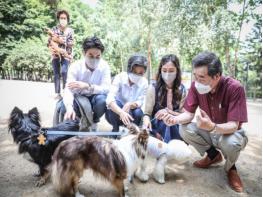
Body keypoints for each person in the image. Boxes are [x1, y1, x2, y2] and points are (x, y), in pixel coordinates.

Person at [161, 51, 248, 192]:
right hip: (209, 130)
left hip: (229, 133)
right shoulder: (196, 87)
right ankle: (213, 155)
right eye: (195, 76)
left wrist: (213, 126)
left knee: (231, 143)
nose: (197, 81)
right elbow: (188, 115)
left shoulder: (235, 88)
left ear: (217, 76)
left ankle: (231, 168)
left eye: (202, 77)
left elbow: (234, 125)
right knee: (184, 128)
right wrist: (174, 119)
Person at [62, 36, 111, 131]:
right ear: (84, 53)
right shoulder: (75, 67)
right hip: (79, 97)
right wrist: (69, 107)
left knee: (102, 100)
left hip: (96, 97)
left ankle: (94, 120)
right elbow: (68, 89)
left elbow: (107, 88)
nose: (94, 59)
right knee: (64, 107)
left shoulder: (104, 66)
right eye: (91, 56)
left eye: (98, 56)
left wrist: (88, 86)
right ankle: (77, 122)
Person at [142, 54, 187, 142]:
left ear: (177, 71)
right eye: (164, 70)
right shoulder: (153, 88)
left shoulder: (182, 90)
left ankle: (170, 146)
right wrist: (146, 121)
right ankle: (167, 146)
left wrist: (169, 112)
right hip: (157, 124)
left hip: (176, 123)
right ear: (160, 71)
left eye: (171, 71)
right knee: (166, 122)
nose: (167, 74)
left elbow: (184, 115)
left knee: (170, 121)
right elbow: (147, 114)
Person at [105, 54, 148, 132]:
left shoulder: (144, 82)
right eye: (134, 72)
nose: (137, 75)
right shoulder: (120, 77)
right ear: (129, 69)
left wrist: (129, 104)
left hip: (132, 113)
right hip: (116, 112)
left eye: (140, 73)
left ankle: (132, 132)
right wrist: (121, 112)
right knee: (116, 103)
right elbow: (109, 99)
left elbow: (140, 101)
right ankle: (116, 130)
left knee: (138, 112)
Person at [48, 10, 74, 99]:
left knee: (64, 71)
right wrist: (56, 45)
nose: (63, 19)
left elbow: (71, 43)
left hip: (66, 54)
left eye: (64, 18)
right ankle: (57, 93)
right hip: (55, 54)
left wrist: (67, 53)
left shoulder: (70, 31)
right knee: (56, 73)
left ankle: (65, 90)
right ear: (58, 19)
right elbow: (49, 42)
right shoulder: (54, 29)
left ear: (67, 19)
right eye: (61, 18)